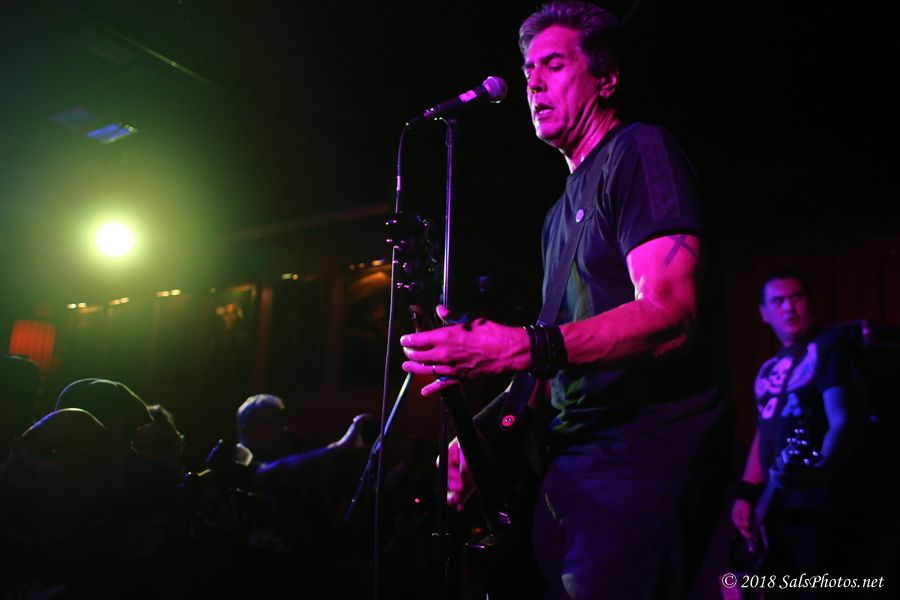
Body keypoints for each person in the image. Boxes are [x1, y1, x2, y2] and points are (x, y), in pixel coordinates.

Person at [400, 2, 726, 598]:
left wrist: (518, 346)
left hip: (639, 461)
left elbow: (670, 315)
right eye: (528, 70)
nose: (533, 83)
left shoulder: (639, 150)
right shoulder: (557, 215)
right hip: (569, 469)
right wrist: (481, 434)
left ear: (606, 78)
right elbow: (554, 362)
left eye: (553, 64)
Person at [730, 272, 867, 586]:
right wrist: (747, 492)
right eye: (778, 301)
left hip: (818, 508)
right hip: (776, 508)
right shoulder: (767, 368)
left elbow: (843, 419)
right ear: (764, 313)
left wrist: (821, 471)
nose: (789, 307)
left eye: (797, 297)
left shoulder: (828, 348)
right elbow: (763, 432)